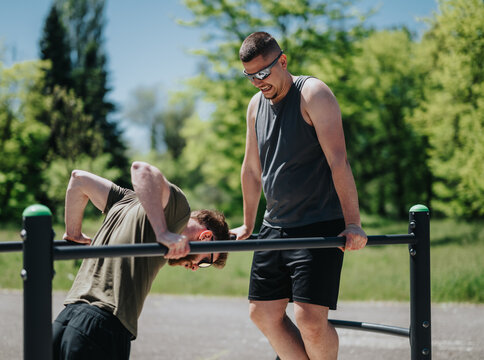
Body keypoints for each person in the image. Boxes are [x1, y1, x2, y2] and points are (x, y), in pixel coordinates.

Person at [231, 32, 368, 360]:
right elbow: (251, 169)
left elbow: (338, 160)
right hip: (274, 226)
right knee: (261, 313)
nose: (257, 82)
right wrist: (248, 225)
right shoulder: (255, 106)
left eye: (263, 73)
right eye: (249, 76)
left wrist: (354, 223)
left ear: (283, 61)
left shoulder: (313, 93)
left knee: (308, 319)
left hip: (318, 223)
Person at [52, 161, 229, 359]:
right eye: (205, 262)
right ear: (205, 237)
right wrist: (162, 232)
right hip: (103, 327)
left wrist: (73, 233)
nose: (196, 267)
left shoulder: (126, 200)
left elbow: (78, 180)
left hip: (66, 320)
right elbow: (141, 169)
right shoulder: (179, 212)